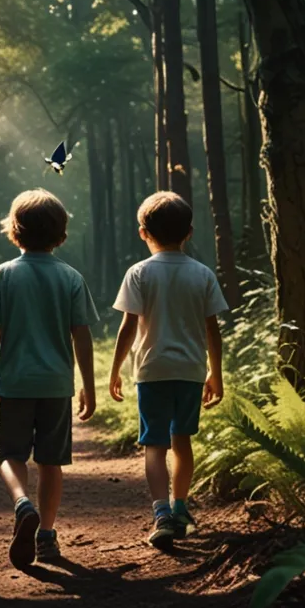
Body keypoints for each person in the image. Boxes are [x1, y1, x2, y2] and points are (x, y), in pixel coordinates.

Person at [0, 189, 99, 569]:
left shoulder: (2, 276)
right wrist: (88, 387)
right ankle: (46, 534)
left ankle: (21, 504)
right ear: (61, 236)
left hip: (13, 386)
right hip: (56, 387)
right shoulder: (71, 278)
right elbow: (82, 335)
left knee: (9, 455)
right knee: (50, 462)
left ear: (14, 232)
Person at [108, 192, 228, 552]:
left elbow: (128, 328)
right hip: (191, 371)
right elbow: (212, 330)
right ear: (189, 232)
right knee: (183, 441)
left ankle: (161, 513)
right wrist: (216, 373)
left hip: (151, 370)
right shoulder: (202, 274)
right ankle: (180, 507)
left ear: (143, 232)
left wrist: (115, 370)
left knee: (155, 446)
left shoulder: (139, 273)